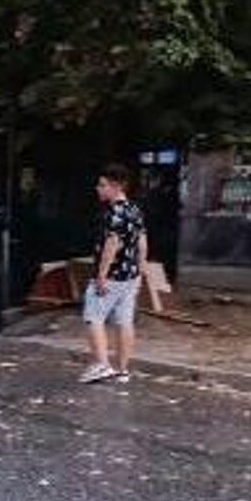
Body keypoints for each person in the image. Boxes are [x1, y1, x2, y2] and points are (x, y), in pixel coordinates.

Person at [80, 164, 148, 385]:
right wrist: (140, 271)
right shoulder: (134, 210)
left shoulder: (114, 212)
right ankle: (123, 370)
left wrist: (101, 275)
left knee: (93, 317)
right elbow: (142, 243)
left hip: (112, 275)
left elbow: (113, 243)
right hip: (130, 275)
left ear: (115, 186)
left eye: (102, 185)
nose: (97, 189)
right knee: (124, 321)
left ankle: (102, 365)